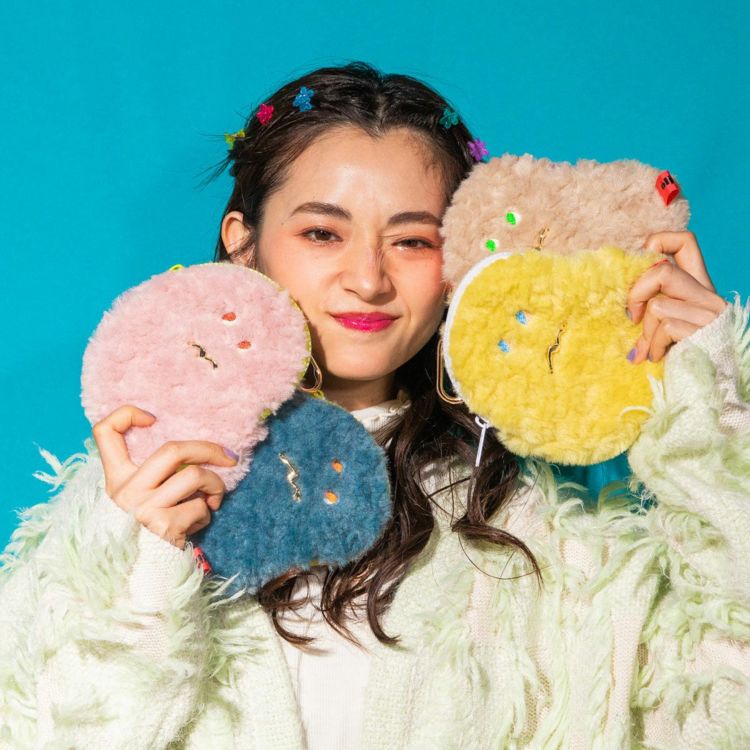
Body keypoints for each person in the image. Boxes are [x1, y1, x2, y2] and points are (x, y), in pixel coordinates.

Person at [1, 61, 748, 749]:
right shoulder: (126, 510)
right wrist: (143, 573)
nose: (368, 278)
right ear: (243, 244)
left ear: (461, 262)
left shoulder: (545, 538)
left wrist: (712, 411)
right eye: (322, 232)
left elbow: (717, 713)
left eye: (412, 241)